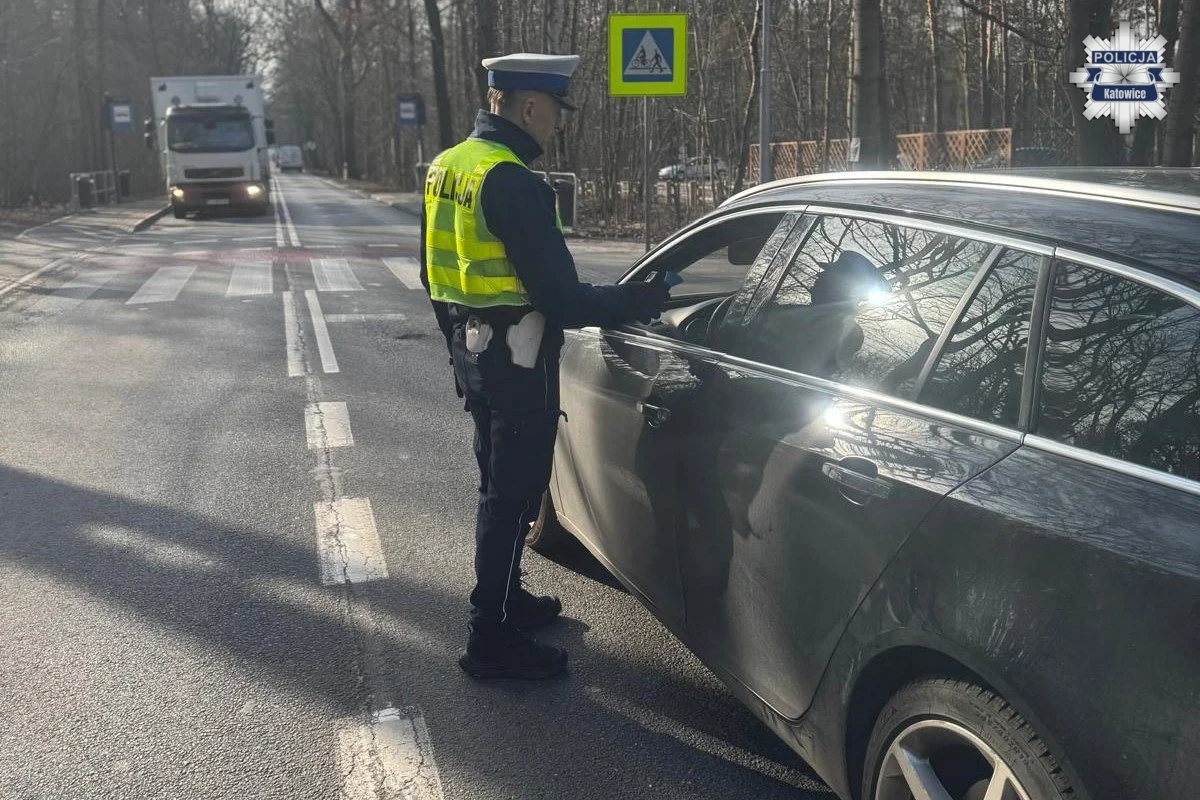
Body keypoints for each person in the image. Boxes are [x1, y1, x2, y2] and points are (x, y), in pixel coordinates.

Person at [419, 52, 671, 680]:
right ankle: (490, 637)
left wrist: (460, 348)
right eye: (557, 110)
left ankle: (509, 599)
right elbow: (561, 299)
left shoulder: (448, 167)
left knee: (499, 487)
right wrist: (639, 299)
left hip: (475, 359)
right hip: (518, 363)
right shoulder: (513, 181)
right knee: (514, 497)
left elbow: (431, 275)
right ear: (530, 105)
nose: (558, 123)